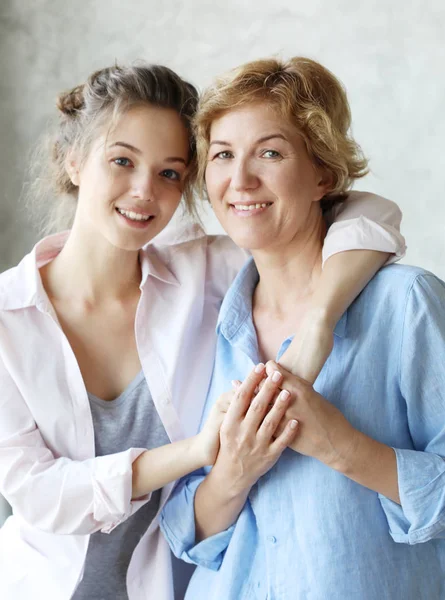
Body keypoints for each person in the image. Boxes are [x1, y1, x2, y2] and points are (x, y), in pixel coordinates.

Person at [0, 62, 405, 600]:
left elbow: (364, 214)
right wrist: (198, 451)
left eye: (170, 172)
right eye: (122, 161)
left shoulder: (203, 274)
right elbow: (37, 493)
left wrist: (317, 326)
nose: (145, 191)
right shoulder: (8, 318)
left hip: (176, 585)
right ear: (74, 161)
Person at [161, 56, 445, 600]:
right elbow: (183, 533)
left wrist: (343, 447)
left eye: (270, 152)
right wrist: (234, 472)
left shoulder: (405, 305)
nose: (240, 180)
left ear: (324, 175)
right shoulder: (205, 325)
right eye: (223, 155)